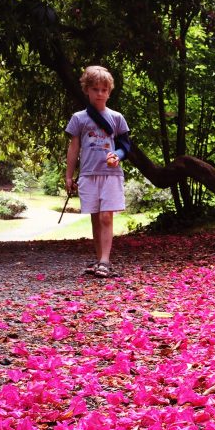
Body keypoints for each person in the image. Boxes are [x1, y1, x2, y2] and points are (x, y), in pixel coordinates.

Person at [65, 65, 129, 278]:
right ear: (87, 90)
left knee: (106, 217)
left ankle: (105, 260)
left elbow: (125, 146)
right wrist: (68, 176)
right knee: (95, 217)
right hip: (88, 175)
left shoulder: (117, 118)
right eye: (95, 89)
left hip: (111, 174)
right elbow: (74, 148)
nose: (100, 93)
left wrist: (116, 156)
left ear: (109, 91)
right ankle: (100, 259)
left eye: (104, 89)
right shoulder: (78, 118)